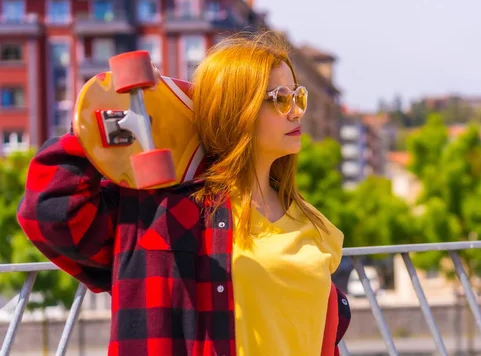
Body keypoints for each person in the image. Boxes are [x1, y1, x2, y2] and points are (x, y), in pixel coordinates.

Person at [16, 30, 351, 356]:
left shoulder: (313, 223)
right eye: (280, 99)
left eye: (298, 97)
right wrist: (99, 121)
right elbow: (50, 210)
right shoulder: (167, 211)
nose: (296, 111)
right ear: (235, 109)